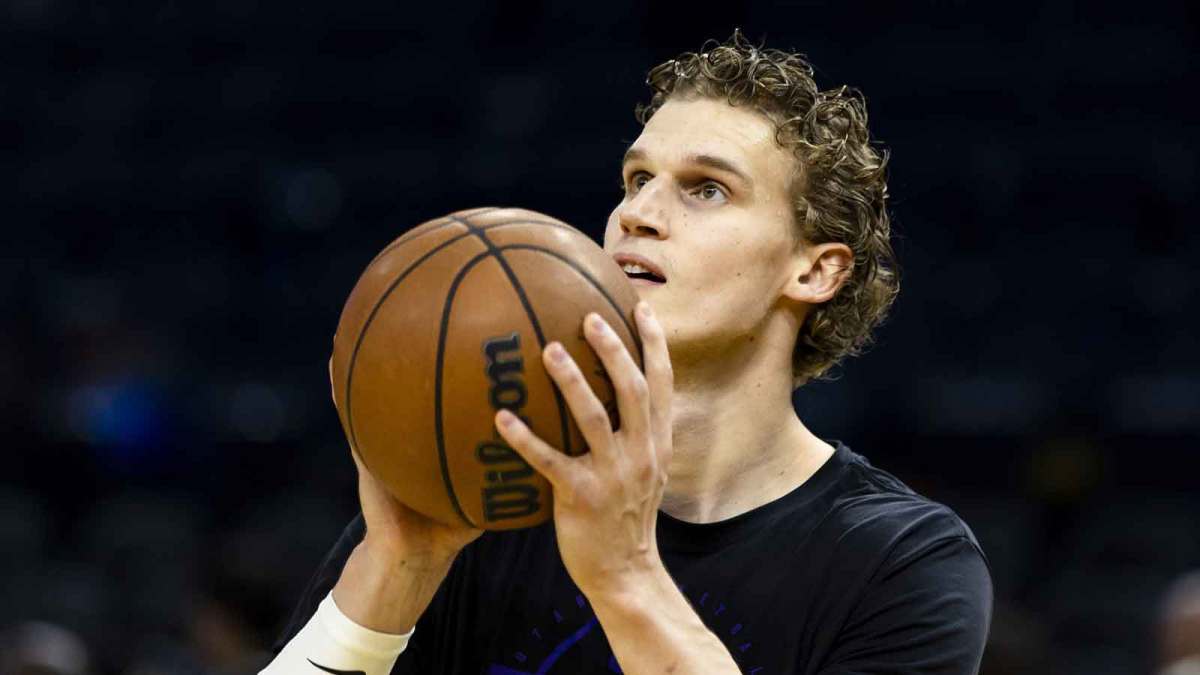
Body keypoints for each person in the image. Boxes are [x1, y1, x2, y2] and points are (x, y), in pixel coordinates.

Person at [263, 30, 992, 674]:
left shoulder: (900, 560)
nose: (637, 214)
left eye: (705, 189)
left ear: (814, 269)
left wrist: (626, 574)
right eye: (637, 180)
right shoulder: (485, 486)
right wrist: (398, 568)